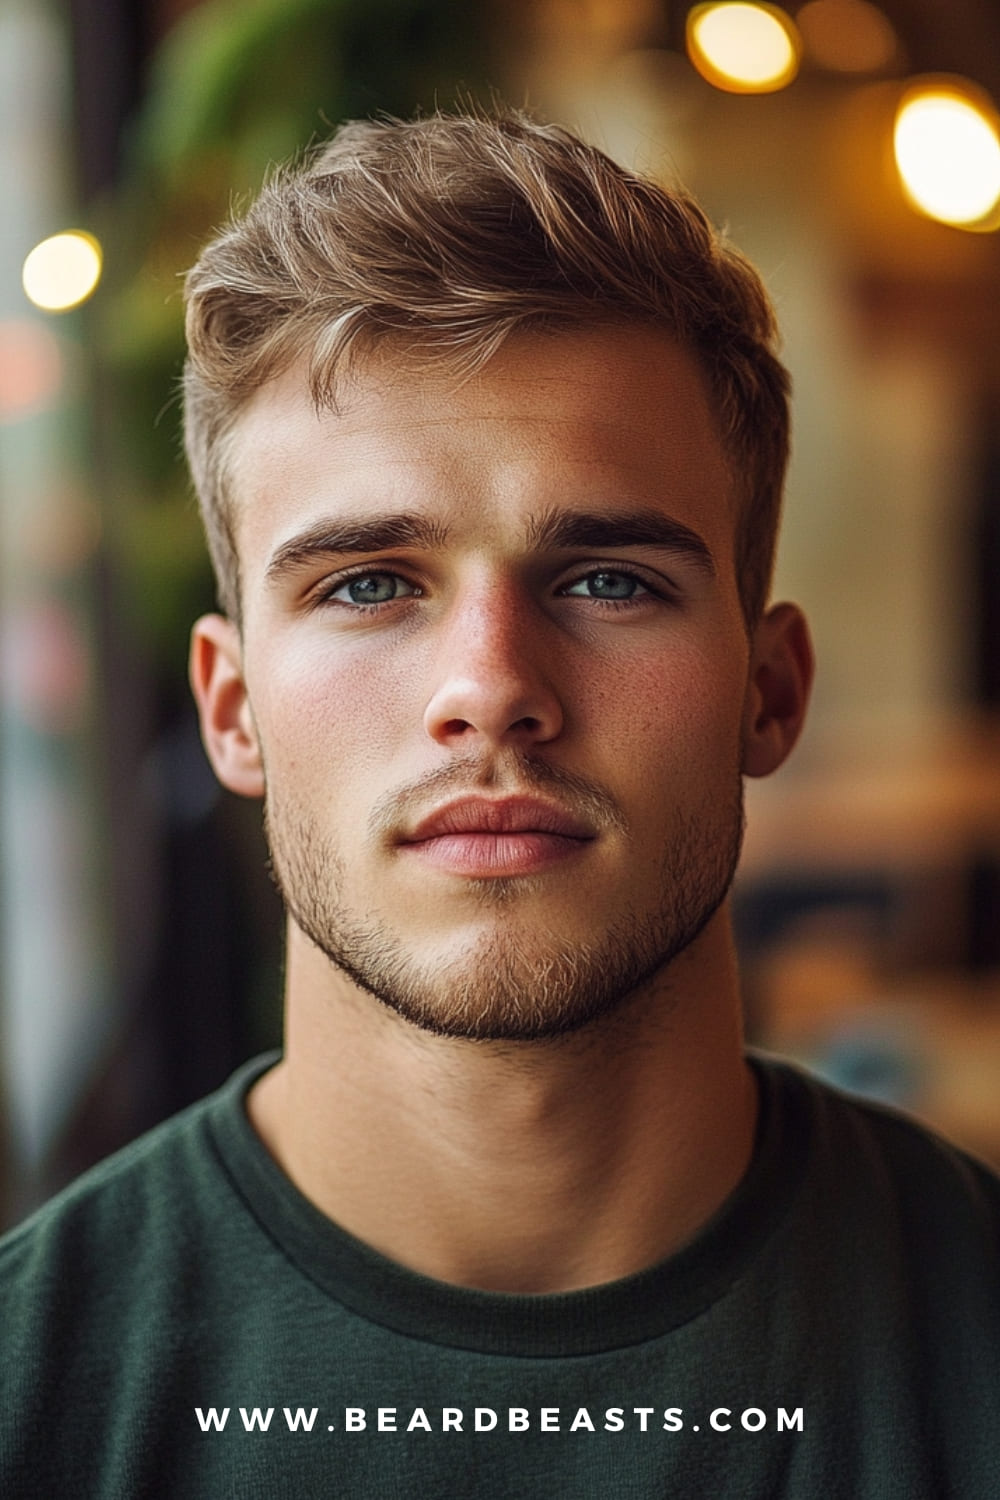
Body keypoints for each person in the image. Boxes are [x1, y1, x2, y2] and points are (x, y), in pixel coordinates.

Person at [2, 108, 998, 1500]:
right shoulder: (33, 1397)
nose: (491, 688)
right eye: (367, 585)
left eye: (608, 581)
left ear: (769, 691)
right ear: (232, 710)